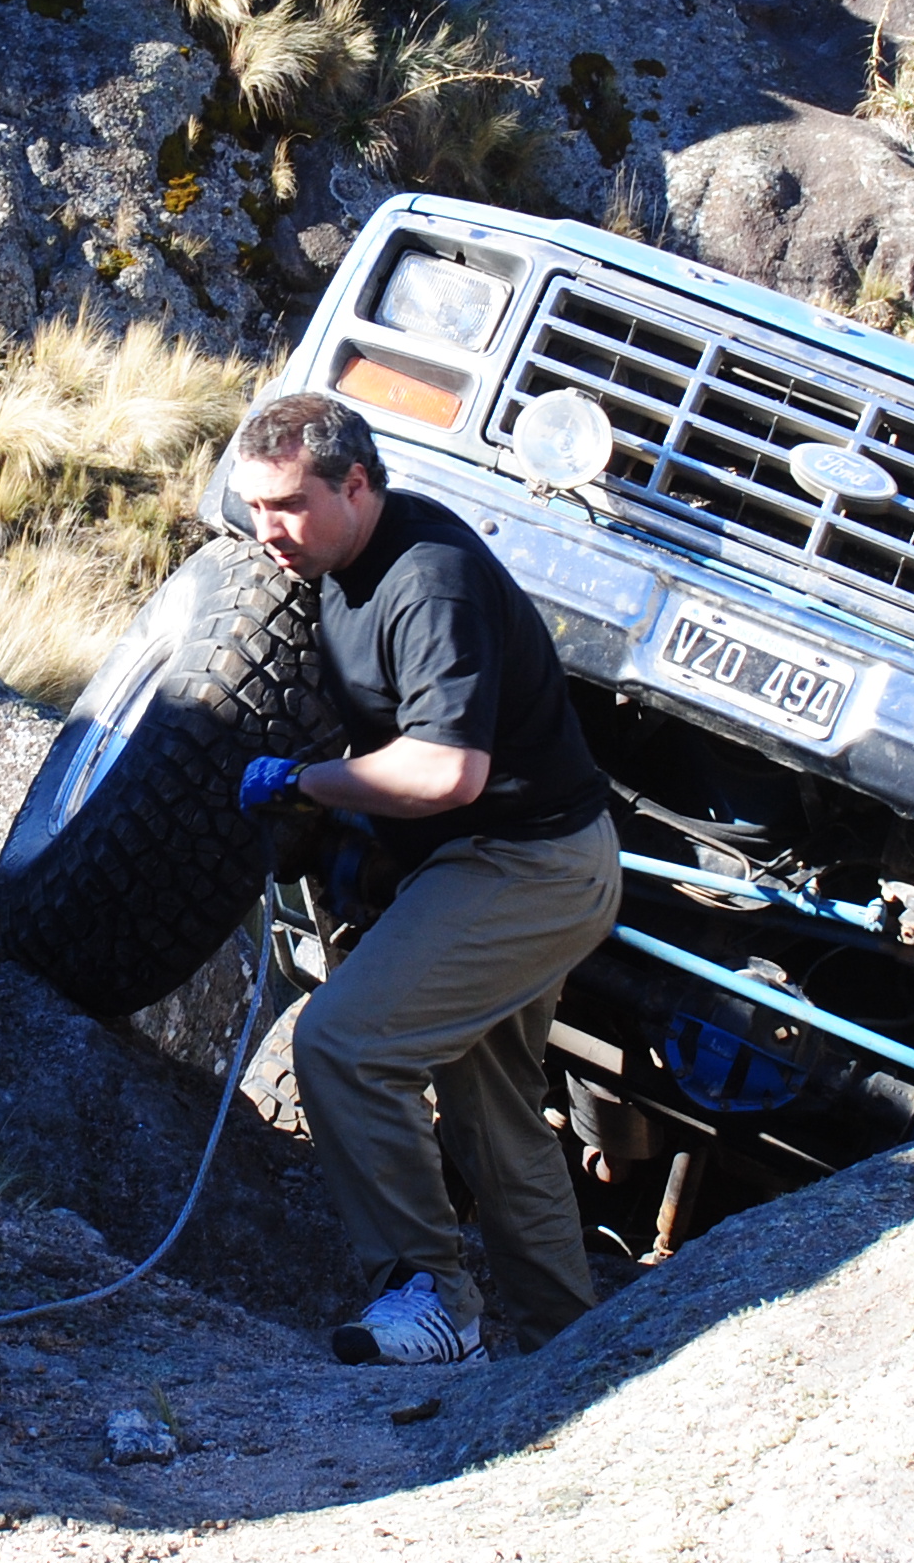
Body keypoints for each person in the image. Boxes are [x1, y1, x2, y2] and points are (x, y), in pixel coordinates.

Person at [228, 392, 621, 1364]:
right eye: (252, 506)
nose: (263, 529)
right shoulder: (332, 562)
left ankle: (430, 1297)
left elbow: (449, 771)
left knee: (344, 1046)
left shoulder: (426, 577)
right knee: (492, 1109)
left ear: (354, 483)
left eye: (283, 504)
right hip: (514, 861)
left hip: (529, 865)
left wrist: (305, 785)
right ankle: (559, 1351)